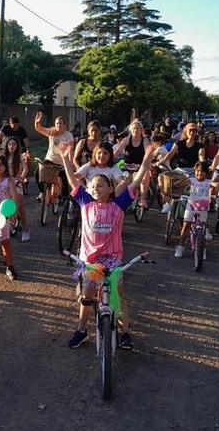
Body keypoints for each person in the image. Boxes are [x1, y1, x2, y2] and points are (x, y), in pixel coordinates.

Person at [61, 144, 152, 351]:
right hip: (90, 261)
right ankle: (82, 331)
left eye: (100, 185)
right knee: (87, 297)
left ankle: (125, 334)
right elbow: (73, 180)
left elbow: (135, 181)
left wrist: (146, 161)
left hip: (112, 260)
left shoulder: (119, 204)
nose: (95, 188)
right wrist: (66, 159)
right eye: (92, 185)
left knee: (118, 296)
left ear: (110, 189)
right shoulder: (85, 202)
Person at [155, 122, 206, 214]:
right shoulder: (179, 143)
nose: (192, 132)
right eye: (190, 130)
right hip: (179, 170)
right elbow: (171, 153)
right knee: (161, 177)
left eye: (194, 131)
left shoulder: (200, 146)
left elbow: (201, 156)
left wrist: (203, 165)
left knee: (197, 186)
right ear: (186, 131)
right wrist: (161, 162)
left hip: (192, 171)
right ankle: (167, 202)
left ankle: (194, 208)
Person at [173, 161, 212, 259]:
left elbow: (215, 184)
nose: (200, 173)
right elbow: (181, 183)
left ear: (206, 173)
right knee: (186, 225)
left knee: (202, 228)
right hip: (191, 205)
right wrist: (180, 182)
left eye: (202, 171)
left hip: (203, 207)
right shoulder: (192, 180)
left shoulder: (208, 182)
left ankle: (202, 249)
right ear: (195, 171)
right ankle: (181, 246)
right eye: (198, 171)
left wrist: (218, 185)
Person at [33, 111, 74, 200]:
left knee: (64, 177)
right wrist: (37, 122)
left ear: (65, 125)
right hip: (50, 160)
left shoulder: (68, 135)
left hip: (62, 162)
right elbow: (39, 129)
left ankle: (64, 196)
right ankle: (42, 192)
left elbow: (70, 149)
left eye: (60, 123)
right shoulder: (52, 132)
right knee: (37, 172)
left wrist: (70, 162)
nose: (59, 125)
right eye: (57, 123)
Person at [113, 119, 152, 207]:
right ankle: (114, 199)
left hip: (139, 168)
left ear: (141, 130)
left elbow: (148, 153)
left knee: (144, 176)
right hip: (127, 167)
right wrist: (109, 159)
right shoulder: (127, 140)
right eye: (134, 128)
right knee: (120, 181)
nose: (135, 130)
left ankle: (142, 199)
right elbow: (118, 151)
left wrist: (148, 164)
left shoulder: (145, 140)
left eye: (137, 128)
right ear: (130, 130)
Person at [2, 136, 30, 242]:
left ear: (17, 146)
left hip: (16, 182)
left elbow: (25, 169)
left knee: (18, 205)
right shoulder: (3, 156)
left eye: (14, 144)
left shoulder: (20, 157)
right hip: (5, 181)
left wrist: (22, 177)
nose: (11, 146)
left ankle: (25, 229)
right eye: (9, 144)